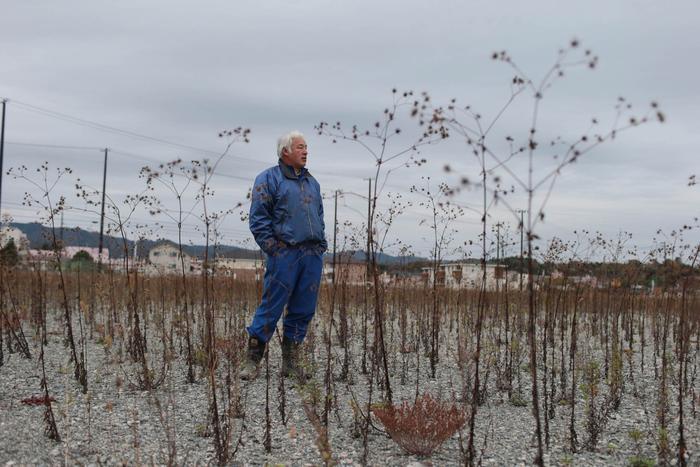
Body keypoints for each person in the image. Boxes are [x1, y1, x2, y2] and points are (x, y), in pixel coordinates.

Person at [241, 131, 327, 380]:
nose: (305, 151)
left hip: (311, 254)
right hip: (284, 254)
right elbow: (258, 219)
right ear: (285, 151)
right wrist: (274, 250)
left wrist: (321, 245)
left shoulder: (312, 183)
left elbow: (319, 215)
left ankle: (290, 363)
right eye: (300, 147)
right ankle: (251, 361)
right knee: (271, 305)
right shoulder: (268, 179)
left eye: (306, 147)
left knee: (304, 308)